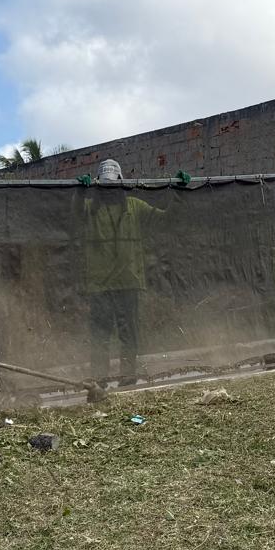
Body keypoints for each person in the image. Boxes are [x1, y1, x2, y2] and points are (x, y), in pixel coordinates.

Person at [78, 158, 166, 385]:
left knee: (129, 336)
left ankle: (128, 378)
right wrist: (78, 191)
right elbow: (69, 214)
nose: (109, 189)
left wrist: (178, 190)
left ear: (121, 182)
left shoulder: (134, 206)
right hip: (99, 285)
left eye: (113, 184)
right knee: (100, 337)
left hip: (128, 282)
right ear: (98, 185)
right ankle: (99, 380)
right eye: (105, 185)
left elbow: (164, 217)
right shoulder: (88, 207)